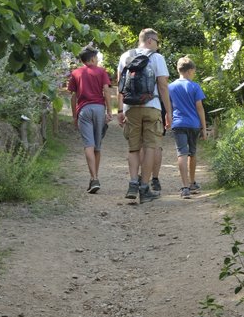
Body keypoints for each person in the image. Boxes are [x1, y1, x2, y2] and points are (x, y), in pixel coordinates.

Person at [117, 28, 171, 202]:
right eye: (157, 41)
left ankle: (133, 183)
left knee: (133, 147)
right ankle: (144, 187)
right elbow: (163, 86)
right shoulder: (157, 58)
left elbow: (120, 85)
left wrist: (120, 109)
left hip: (130, 107)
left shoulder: (125, 56)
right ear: (149, 40)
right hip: (152, 106)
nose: (158, 45)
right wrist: (168, 112)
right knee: (150, 147)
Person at [67, 45, 113, 193]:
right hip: (99, 109)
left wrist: (74, 116)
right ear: (93, 58)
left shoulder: (75, 73)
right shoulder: (101, 71)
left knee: (88, 145)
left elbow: (73, 96)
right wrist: (109, 111)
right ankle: (95, 177)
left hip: (84, 110)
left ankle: (94, 178)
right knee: (97, 147)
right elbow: (106, 90)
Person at [168, 56, 207, 198]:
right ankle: (192, 182)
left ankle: (184, 187)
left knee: (181, 153)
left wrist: (167, 120)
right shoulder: (194, 86)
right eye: (194, 71)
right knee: (192, 153)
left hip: (178, 123)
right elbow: (200, 108)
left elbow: (168, 107)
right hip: (193, 124)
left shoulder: (170, 87)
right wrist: (204, 128)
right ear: (190, 71)